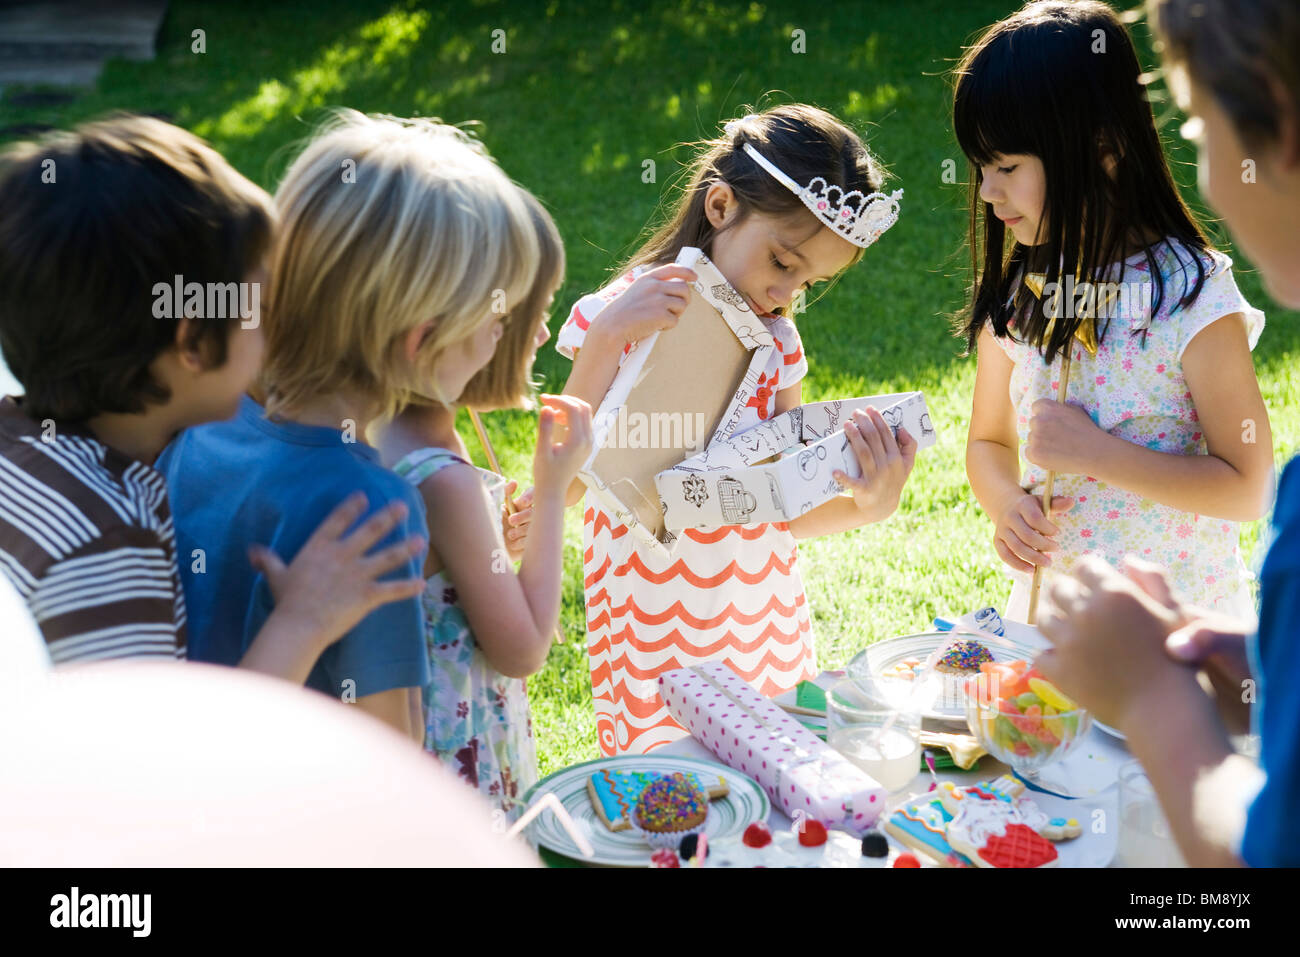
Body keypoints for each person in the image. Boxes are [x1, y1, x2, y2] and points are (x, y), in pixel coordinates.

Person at [160, 112, 542, 741]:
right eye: (494, 314)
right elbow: (393, 750)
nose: (501, 332)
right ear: (421, 339)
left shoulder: (206, 425)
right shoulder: (372, 511)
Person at [0, 115, 425, 676]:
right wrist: (303, 620)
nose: (277, 329)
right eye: (261, 309)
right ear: (193, 341)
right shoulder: (107, 541)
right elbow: (155, 756)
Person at [558, 104, 917, 755]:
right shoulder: (628, 314)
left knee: (775, 782)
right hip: (651, 620)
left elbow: (783, 507)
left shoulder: (777, 341)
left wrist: (870, 502)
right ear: (720, 206)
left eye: (809, 282)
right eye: (783, 262)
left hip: (757, 611)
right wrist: (606, 340)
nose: (786, 296)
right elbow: (562, 488)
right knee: (673, 791)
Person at [1036, 0, 1300, 867]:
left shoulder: (1193, 297)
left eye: (1194, 120)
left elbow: (1258, 858)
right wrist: (1264, 668)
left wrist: (1154, 694)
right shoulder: (1046, 289)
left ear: (1277, 119)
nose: (1209, 172)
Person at [954, 0, 1273, 621]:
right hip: (1054, 628)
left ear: (1103, 147)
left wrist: (1097, 454)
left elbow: (1249, 484)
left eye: (1008, 167)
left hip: (1182, 635)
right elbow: (990, 438)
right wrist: (1005, 505)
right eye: (982, 168)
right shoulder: (1023, 293)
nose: (989, 191)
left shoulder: (1192, 296)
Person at [379, 190, 592, 814]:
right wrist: (553, 492)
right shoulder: (445, 479)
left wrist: (493, 549)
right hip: (458, 769)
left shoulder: (393, 430)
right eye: (525, 316)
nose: (545, 331)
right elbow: (523, 648)